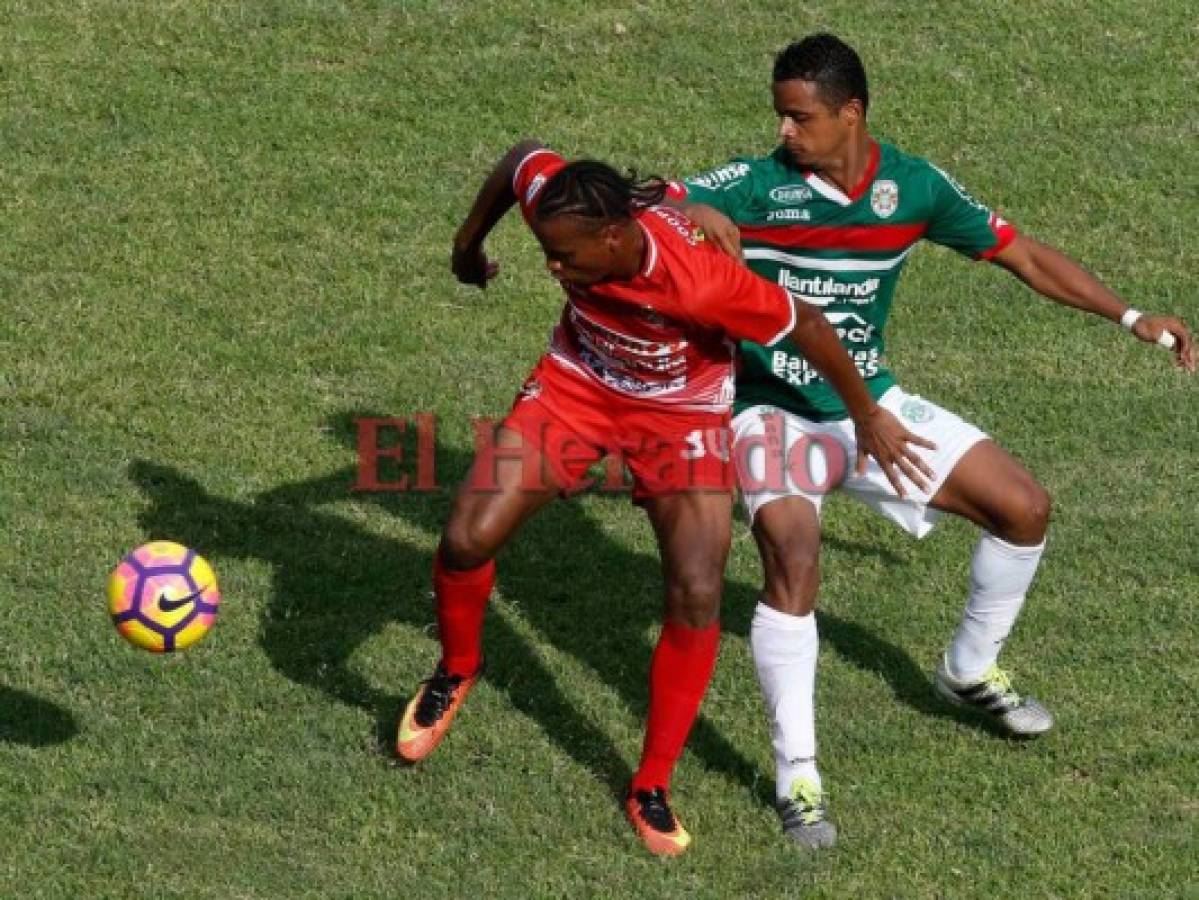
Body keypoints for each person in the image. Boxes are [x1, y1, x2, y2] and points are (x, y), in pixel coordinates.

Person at [669, 33, 1195, 849]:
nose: (783, 131)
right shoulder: (760, 185)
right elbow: (660, 199)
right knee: (792, 555)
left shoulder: (911, 188)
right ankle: (797, 778)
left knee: (1023, 509)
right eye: (778, 114)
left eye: (798, 116)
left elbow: (1018, 253)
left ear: (851, 113)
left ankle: (967, 671)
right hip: (768, 410)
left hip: (870, 405)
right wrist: (695, 209)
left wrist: (1130, 317)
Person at [395, 140, 932, 856]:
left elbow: (804, 325)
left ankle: (650, 784)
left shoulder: (701, 280)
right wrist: (466, 246)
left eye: (564, 257)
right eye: (547, 253)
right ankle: (457, 669)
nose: (552, 268)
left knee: (697, 590)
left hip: (680, 419)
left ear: (614, 238)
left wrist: (865, 414)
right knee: (465, 537)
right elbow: (521, 157)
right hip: (576, 390)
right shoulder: (565, 204)